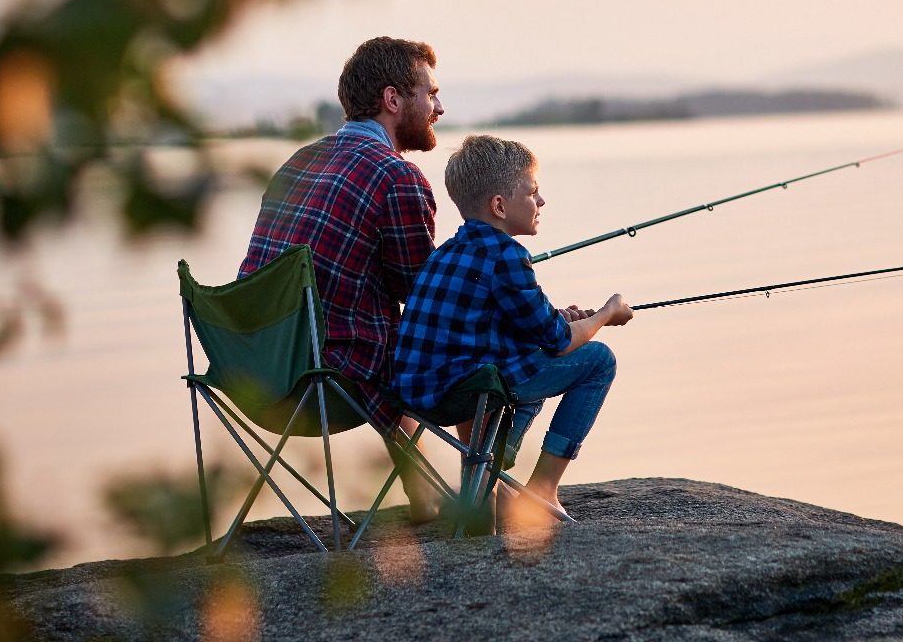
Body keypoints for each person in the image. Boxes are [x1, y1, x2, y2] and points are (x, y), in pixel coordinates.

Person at [239, 36, 444, 522]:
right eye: (430, 93)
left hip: (253, 369)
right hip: (323, 381)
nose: (439, 106)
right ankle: (485, 497)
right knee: (451, 335)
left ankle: (425, 495)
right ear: (393, 100)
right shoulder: (398, 177)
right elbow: (422, 300)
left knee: (376, 333)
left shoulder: (298, 161)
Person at [393, 134, 633, 522]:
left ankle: (489, 481)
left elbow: (505, 320)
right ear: (500, 206)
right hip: (469, 391)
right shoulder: (507, 255)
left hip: (418, 395)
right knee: (598, 360)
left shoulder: (444, 254)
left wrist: (560, 317)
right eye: (532, 192)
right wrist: (606, 313)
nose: (541, 202)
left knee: (527, 355)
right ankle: (542, 489)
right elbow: (556, 341)